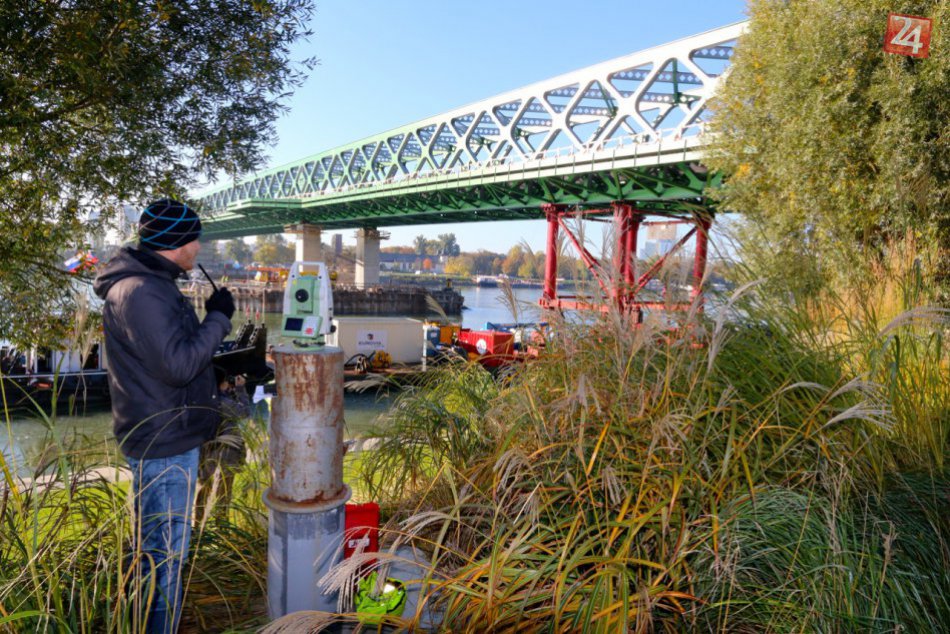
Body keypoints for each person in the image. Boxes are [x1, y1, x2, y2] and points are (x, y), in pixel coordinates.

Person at [94, 199, 235, 634]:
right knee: (164, 561)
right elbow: (177, 365)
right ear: (178, 243)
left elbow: (168, 355)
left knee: (155, 552)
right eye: (195, 238)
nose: (199, 247)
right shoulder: (142, 291)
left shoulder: (152, 284)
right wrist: (219, 319)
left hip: (165, 432)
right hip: (165, 441)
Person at [196, 367, 250, 521]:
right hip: (225, 452)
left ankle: (198, 528)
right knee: (223, 493)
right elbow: (244, 412)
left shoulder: (201, 400)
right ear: (219, 383)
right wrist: (240, 390)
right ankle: (222, 527)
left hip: (205, 452)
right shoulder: (222, 403)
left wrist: (228, 392)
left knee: (203, 489)